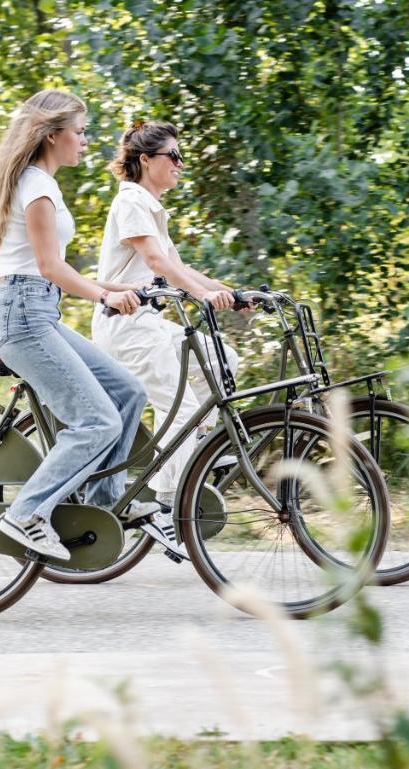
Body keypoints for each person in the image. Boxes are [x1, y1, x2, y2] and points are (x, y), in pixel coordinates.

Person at [0, 90, 159, 561]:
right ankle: (25, 513)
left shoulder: (42, 183)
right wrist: (106, 294)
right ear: (52, 134)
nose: (85, 141)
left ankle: (104, 504)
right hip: (22, 318)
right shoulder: (37, 188)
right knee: (95, 420)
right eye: (80, 132)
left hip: (39, 311)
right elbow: (48, 267)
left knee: (127, 393)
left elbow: (57, 272)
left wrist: (128, 288)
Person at [91, 120, 242, 547]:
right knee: (183, 407)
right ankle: (170, 501)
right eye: (172, 156)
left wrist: (229, 292)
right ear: (145, 160)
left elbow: (178, 265)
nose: (180, 163)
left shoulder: (151, 208)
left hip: (150, 323)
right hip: (126, 327)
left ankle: (188, 463)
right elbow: (157, 262)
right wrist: (201, 295)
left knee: (221, 361)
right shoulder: (132, 201)